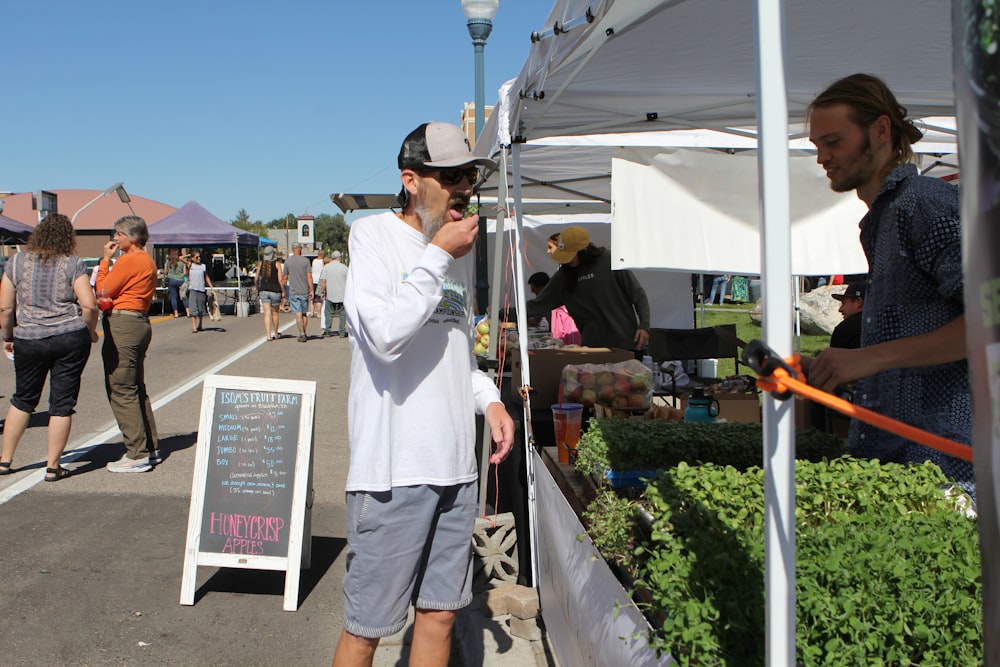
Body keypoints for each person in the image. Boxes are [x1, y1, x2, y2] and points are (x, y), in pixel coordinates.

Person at [332, 121, 514, 667]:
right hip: (393, 470)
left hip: (455, 467)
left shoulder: (458, 250)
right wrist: (436, 255)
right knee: (368, 627)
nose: (464, 188)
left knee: (440, 615)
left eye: (469, 178)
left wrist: (489, 399)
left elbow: (454, 350)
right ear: (411, 180)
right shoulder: (372, 236)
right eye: (451, 176)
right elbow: (384, 337)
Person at [804, 73, 973, 499]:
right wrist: (827, 367)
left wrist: (870, 359)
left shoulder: (923, 205)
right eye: (816, 146)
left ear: (880, 130)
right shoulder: (886, 217)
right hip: (905, 464)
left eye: (833, 142)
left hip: (947, 471)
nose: (822, 156)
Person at [0, 214, 99, 481]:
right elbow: (89, 305)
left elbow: (6, 307)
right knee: (62, 403)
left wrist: (8, 336)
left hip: (29, 338)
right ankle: (54, 466)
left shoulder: (16, 262)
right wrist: (89, 332)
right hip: (68, 337)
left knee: (22, 399)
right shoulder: (73, 263)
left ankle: (5, 459)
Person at [96, 215, 160, 473]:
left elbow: (103, 290)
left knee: (121, 387)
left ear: (132, 237)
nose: (115, 239)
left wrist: (104, 262)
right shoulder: (147, 260)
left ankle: (136, 452)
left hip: (124, 324)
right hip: (139, 322)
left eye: (119, 234)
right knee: (135, 386)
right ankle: (149, 446)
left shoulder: (129, 259)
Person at [526, 226, 650, 353]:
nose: (566, 260)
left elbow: (637, 294)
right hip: (593, 347)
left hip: (626, 343)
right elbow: (538, 304)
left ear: (584, 249)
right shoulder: (563, 276)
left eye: (570, 255)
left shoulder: (609, 260)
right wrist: (508, 313)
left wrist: (644, 325)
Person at [527, 271, 581, 345]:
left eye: (533, 289)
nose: (532, 292)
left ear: (542, 288)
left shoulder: (555, 306)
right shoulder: (556, 307)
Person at [283, 243, 312, 342]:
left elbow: (284, 278)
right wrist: (311, 289)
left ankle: (301, 333)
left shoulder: (288, 262)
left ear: (293, 249)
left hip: (294, 291)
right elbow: (309, 276)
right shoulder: (306, 261)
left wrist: (283, 291)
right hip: (304, 290)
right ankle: (304, 332)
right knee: (304, 313)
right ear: (299, 249)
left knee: (298, 313)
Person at [256, 245, 285, 341]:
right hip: (275, 291)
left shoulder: (261, 264)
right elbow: (281, 280)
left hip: (264, 290)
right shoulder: (277, 264)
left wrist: (257, 287)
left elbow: (255, 278)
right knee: (275, 313)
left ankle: (268, 335)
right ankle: (276, 333)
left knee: (266, 313)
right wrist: (283, 291)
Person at [183, 251, 214, 333]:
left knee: (201, 308)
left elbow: (206, 277)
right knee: (193, 308)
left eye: (199, 257)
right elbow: (180, 258)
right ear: (193, 258)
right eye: (197, 257)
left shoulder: (203, 266)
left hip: (201, 289)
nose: (199, 258)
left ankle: (200, 324)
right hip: (193, 289)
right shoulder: (190, 265)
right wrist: (189, 255)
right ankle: (193, 326)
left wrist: (211, 286)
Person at [829, 281, 865, 350]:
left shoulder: (845, 329)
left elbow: (834, 359)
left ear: (858, 302)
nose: (840, 309)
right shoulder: (881, 324)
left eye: (843, 303)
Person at [320, 250, 348, 338]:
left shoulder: (327, 267)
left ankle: (327, 330)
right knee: (342, 313)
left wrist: (322, 292)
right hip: (342, 294)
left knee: (328, 313)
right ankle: (342, 331)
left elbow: (323, 281)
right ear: (339, 257)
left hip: (330, 293)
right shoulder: (344, 267)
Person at [163, 247, 188, 318]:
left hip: (171, 280)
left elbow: (165, 272)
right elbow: (184, 272)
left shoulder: (168, 261)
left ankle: (176, 313)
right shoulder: (181, 262)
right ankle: (188, 311)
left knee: (173, 297)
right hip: (180, 280)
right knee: (183, 296)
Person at [310, 248, 326, 318]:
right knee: (319, 298)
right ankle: (319, 313)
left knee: (312, 297)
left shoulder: (314, 261)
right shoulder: (322, 262)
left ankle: (311, 312)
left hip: (313, 279)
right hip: (319, 280)